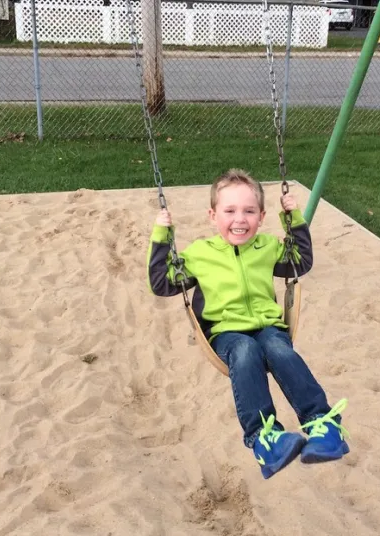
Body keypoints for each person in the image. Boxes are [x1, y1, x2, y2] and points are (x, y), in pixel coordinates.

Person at [147, 169, 349, 479]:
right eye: (229, 211)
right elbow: (162, 283)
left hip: (268, 327)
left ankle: (323, 425)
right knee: (245, 350)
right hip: (225, 333)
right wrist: (162, 236)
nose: (240, 219)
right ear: (213, 215)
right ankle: (266, 439)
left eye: (249, 211)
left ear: (262, 216)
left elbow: (300, 261)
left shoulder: (267, 246)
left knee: (278, 349)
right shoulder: (200, 254)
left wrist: (293, 218)